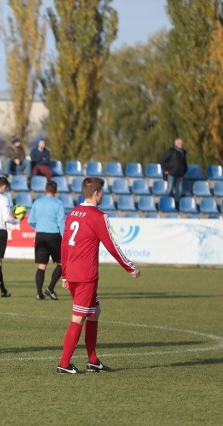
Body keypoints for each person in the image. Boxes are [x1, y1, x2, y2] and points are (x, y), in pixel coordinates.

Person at [57, 177, 140, 374]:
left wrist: (65, 275)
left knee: (94, 312)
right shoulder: (98, 216)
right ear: (96, 193)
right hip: (86, 275)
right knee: (78, 317)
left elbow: (64, 244)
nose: (102, 195)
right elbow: (112, 246)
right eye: (102, 192)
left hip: (74, 273)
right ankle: (64, 363)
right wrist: (130, 267)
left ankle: (93, 360)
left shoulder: (72, 214)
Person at [28, 180, 65, 300]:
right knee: (62, 263)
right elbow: (61, 222)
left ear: (45, 190)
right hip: (54, 236)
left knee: (41, 266)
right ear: (56, 191)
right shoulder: (58, 203)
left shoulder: (37, 202)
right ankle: (50, 288)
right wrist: (64, 237)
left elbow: (31, 221)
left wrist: (40, 228)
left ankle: (39, 293)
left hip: (40, 235)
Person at [160, 138, 188, 206]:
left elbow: (184, 162)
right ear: (176, 144)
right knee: (169, 189)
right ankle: (165, 203)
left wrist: (185, 170)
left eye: (182, 143)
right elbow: (163, 160)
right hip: (171, 173)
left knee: (179, 190)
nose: (181, 145)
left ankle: (176, 204)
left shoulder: (183, 152)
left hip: (180, 174)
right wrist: (165, 170)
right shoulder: (171, 151)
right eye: (179, 143)